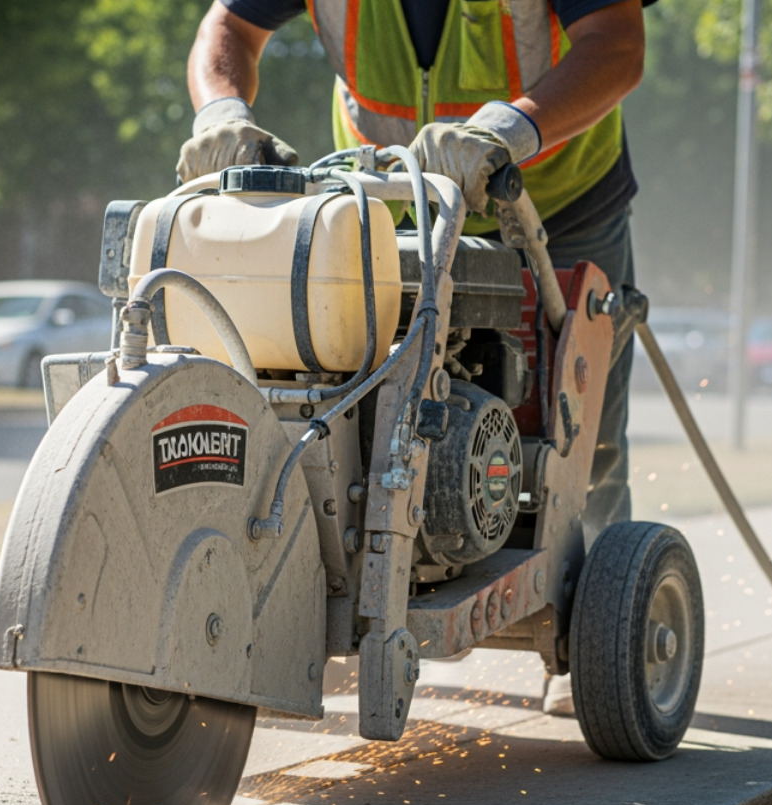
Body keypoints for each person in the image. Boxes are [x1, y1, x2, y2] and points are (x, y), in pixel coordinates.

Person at [180, 0, 652, 714]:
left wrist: (512, 127)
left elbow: (615, 44)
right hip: (399, 200)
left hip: (558, 193)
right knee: (361, 407)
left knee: (576, 430)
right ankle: (342, 603)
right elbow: (230, 28)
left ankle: (596, 629)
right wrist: (220, 112)